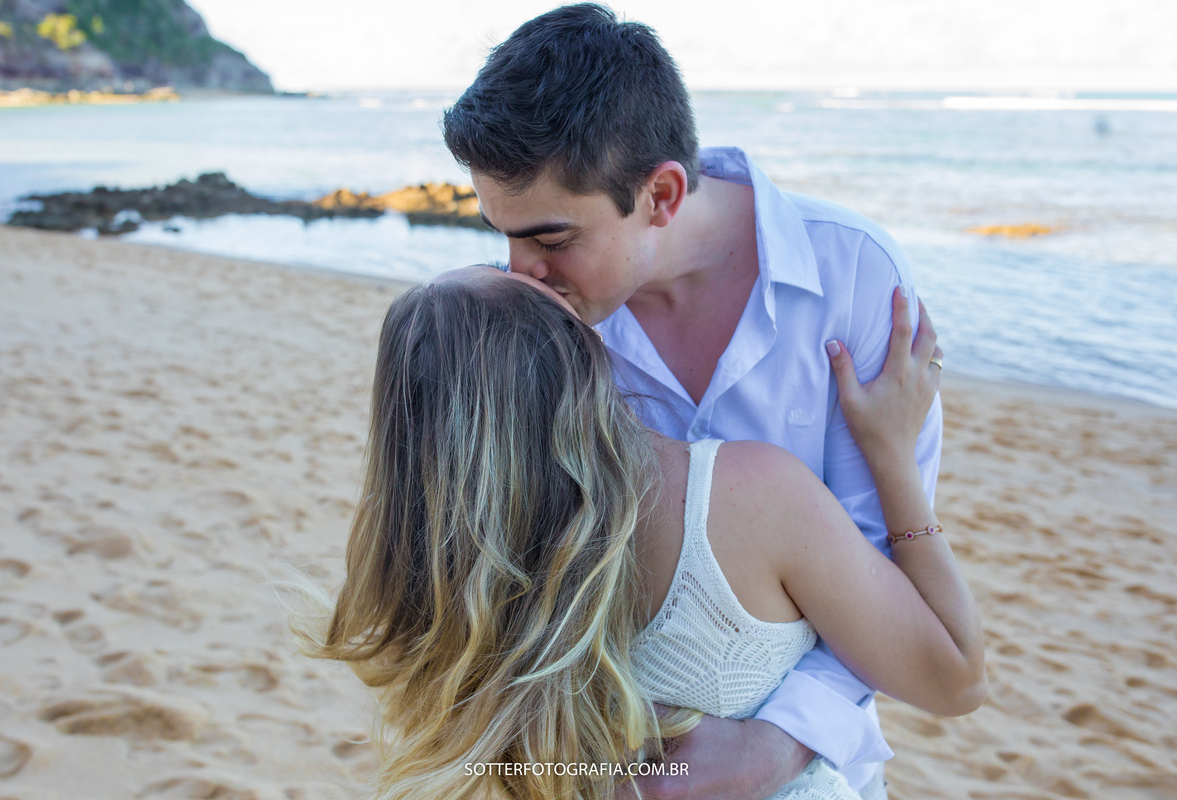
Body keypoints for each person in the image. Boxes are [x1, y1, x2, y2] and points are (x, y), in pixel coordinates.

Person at [440, 5, 948, 797]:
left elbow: (877, 569)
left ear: (663, 194)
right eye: (501, 236)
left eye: (549, 239)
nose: (518, 272)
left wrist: (774, 748)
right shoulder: (532, 318)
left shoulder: (854, 278)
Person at [304, 267, 984, 800]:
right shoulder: (748, 500)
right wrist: (894, 458)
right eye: (552, 298)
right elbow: (954, 679)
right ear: (573, 358)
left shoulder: (449, 603)